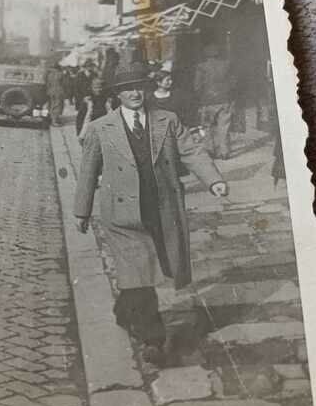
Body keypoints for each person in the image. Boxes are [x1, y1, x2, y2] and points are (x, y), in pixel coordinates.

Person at [74, 62, 228, 364]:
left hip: (160, 209)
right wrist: (82, 210)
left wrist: (214, 180)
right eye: (127, 88)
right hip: (121, 214)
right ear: (118, 93)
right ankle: (153, 340)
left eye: (139, 87)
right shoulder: (100, 128)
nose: (134, 93)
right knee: (140, 278)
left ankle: (123, 310)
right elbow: (88, 171)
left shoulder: (167, 120)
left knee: (145, 274)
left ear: (146, 88)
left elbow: (192, 151)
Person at [193, 40, 235, 159]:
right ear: (218, 53)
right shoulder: (226, 64)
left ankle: (210, 150)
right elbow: (233, 82)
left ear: (205, 54)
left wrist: (200, 97)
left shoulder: (201, 67)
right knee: (224, 126)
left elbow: (197, 86)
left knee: (207, 126)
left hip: (207, 101)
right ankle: (224, 152)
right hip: (224, 99)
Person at [75, 73, 109, 144]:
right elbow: (80, 118)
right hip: (90, 132)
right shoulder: (88, 101)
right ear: (91, 88)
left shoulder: (107, 100)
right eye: (96, 88)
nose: (99, 90)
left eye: (101, 87)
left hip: (105, 132)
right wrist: (79, 133)